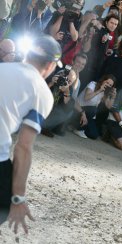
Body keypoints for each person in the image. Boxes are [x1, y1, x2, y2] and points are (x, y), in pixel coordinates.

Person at [0, 35, 60, 233]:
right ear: (51, 65)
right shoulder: (42, 92)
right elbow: (23, 147)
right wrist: (18, 197)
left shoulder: (3, 68)